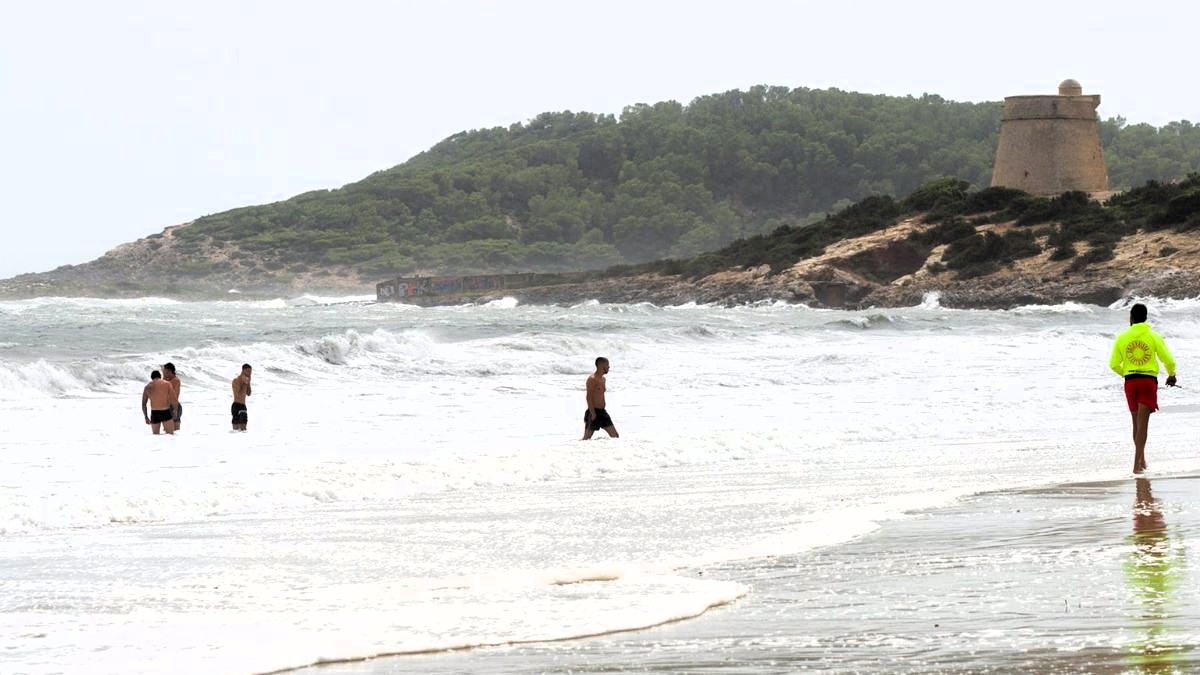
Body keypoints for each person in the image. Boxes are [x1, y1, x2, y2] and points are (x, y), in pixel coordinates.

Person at [1110, 303, 1177, 474]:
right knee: (1143, 425)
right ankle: (1136, 464)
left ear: (1131, 318)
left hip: (1130, 382)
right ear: (1146, 318)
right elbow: (1167, 359)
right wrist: (1171, 374)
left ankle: (1142, 461)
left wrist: (1126, 373)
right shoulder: (1154, 336)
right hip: (1147, 382)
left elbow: (1113, 364)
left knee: (1136, 424)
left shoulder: (1122, 337)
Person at [582, 356, 619, 440]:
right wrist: (593, 413)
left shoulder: (603, 379)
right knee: (586, 439)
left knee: (615, 436)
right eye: (607, 365)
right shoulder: (592, 379)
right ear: (601, 365)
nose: (609, 367)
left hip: (602, 412)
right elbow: (588, 397)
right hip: (593, 412)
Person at [141, 369, 178, 435]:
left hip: (154, 413)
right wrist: (175, 411)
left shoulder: (147, 387)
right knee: (170, 435)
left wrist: (146, 417)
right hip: (165, 411)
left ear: (151, 378)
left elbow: (144, 404)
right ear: (160, 376)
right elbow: (174, 399)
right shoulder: (167, 384)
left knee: (156, 437)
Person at [231, 363, 252, 431]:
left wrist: (248, 383)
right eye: (248, 371)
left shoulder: (246, 381)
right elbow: (237, 392)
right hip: (236, 405)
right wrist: (243, 381)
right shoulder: (236, 380)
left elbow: (249, 393)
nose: (250, 373)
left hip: (243, 405)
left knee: (243, 428)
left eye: (250, 371)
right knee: (236, 429)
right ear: (243, 370)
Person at [162, 362, 182, 432]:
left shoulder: (175, 380)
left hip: (173, 407)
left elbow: (174, 395)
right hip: (172, 407)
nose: (163, 373)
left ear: (170, 371)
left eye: (165, 371)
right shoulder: (166, 379)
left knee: (169, 433)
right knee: (172, 434)